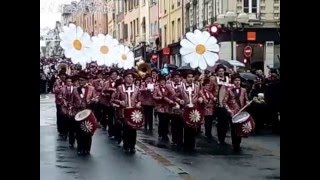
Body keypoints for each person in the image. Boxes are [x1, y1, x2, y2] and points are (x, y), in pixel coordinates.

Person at [112, 69, 142, 153]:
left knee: (133, 129)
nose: (130, 78)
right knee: (126, 129)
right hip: (123, 111)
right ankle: (126, 145)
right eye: (128, 77)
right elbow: (113, 99)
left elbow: (139, 99)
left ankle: (132, 146)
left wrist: (139, 103)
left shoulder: (136, 88)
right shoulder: (119, 88)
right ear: (124, 78)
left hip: (133, 112)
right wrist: (120, 102)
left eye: (131, 77)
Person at [71, 71, 98, 155]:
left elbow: (96, 98)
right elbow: (71, 102)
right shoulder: (75, 89)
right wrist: (73, 111)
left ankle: (87, 149)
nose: (80, 82)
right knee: (79, 132)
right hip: (78, 113)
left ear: (86, 81)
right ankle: (80, 148)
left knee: (88, 131)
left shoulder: (92, 88)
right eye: (79, 80)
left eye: (82, 80)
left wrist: (94, 100)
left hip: (88, 113)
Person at [175, 69, 200, 151]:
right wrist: (179, 100)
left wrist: (200, 99)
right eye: (189, 77)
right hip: (184, 109)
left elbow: (200, 95)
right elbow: (175, 97)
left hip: (193, 110)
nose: (191, 79)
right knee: (184, 127)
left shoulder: (196, 87)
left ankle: (191, 145)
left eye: (192, 77)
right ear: (185, 78)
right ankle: (184, 144)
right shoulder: (180, 87)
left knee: (192, 127)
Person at [223, 74, 250, 152]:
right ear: (233, 81)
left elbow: (246, 99)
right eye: (236, 80)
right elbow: (224, 102)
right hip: (232, 113)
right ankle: (235, 144)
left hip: (240, 112)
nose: (237, 82)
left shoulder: (244, 90)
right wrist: (229, 111)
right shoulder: (229, 90)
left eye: (239, 80)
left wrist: (247, 102)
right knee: (233, 129)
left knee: (239, 128)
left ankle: (238, 142)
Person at [153, 75, 176, 142]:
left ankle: (165, 133)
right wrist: (159, 98)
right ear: (159, 82)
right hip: (160, 107)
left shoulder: (168, 87)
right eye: (161, 81)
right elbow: (154, 96)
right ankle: (161, 133)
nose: (162, 82)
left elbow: (173, 94)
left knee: (167, 120)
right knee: (161, 121)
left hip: (167, 107)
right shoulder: (156, 88)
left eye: (163, 81)